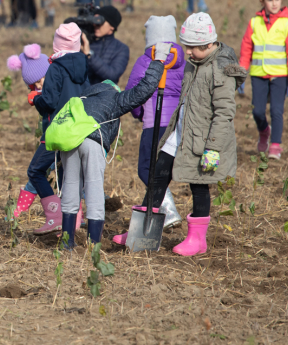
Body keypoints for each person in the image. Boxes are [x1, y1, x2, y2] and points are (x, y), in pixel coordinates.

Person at [113, 13, 247, 255]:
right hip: (180, 133)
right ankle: (140, 233)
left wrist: (213, 148)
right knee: (157, 178)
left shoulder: (221, 70)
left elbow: (224, 112)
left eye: (192, 48)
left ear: (208, 44)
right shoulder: (195, 64)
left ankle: (197, 240)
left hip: (204, 141)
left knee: (199, 185)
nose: (189, 53)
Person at [55, 44, 171, 249]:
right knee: (93, 188)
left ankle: (67, 242)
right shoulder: (115, 97)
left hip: (70, 140)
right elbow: (142, 91)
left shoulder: (84, 96)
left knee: (71, 187)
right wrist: (158, 62)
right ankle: (94, 244)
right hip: (92, 141)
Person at [14, 23, 90, 234]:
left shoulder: (55, 68)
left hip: (58, 131)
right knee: (69, 174)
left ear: (57, 46)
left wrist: (37, 100)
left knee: (35, 170)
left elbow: (49, 102)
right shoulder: (84, 65)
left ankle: (55, 215)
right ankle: (73, 219)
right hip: (79, 129)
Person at [123, 15, 185, 229]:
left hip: (153, 123)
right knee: (162, 170)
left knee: (146, 169)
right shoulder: (183, 59)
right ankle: (158, 209)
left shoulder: (146, 59)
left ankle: (168, 211)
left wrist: (139, 113)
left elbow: (133, 92)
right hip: (176, 123)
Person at [239, 0, 288, 160]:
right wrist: (241, 74)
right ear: (262, 1)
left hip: (280, 75)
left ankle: (275, 145)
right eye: (270, 0)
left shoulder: (287, 24)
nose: (274, 4)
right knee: (257, 111)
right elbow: (246, 50)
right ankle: (264, 131)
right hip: (258, 75)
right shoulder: (254, 23)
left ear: (282, 0)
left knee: (276, 110)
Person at [82, 6, 130, 85]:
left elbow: (112, 75)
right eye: (94, 20)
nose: (95, 24)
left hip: (105, 95)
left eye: (99, 21)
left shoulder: (121, 49)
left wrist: (89, 54)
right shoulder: (88, 43)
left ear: (112, 26)